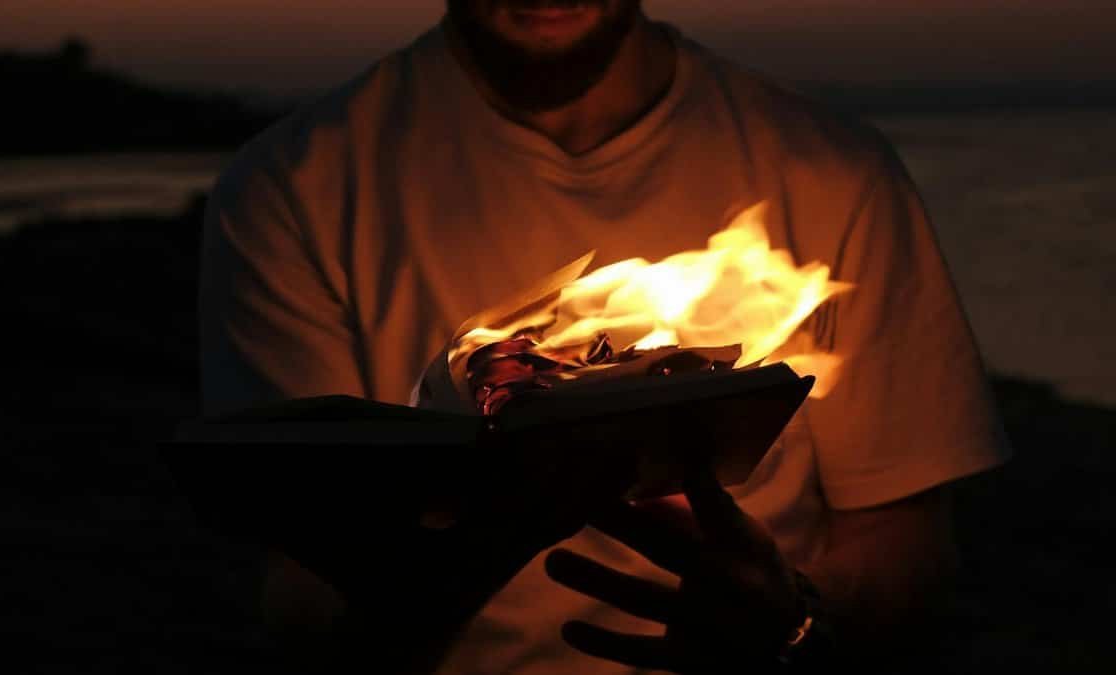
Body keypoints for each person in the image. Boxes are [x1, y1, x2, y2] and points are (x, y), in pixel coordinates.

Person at [199, 1, 1009, 672]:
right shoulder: (294, 188)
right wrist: (467, 547)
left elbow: (906, 550)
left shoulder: (835, 172)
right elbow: (305, 600)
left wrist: (790, 619)